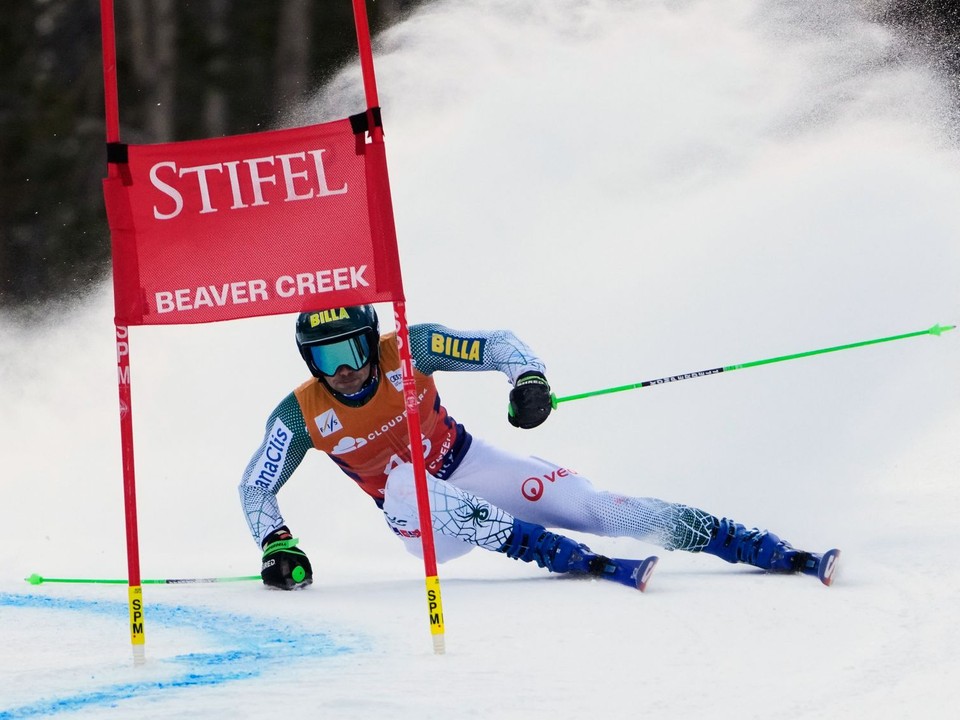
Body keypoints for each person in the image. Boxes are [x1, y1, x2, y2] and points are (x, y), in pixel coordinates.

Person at [240, 304, 837, 591]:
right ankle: (571, 559)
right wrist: (277, 544)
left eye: (351, 351)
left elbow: (496, 344)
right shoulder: (300, 414)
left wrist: (527, 380)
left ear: (372, 342)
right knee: (404, 482)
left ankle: (761, 548)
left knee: (599, 507)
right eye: (325, 358)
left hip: (471, 463)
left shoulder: (412, 349)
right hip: (422, 523)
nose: (342, 370)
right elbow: (256, 484)